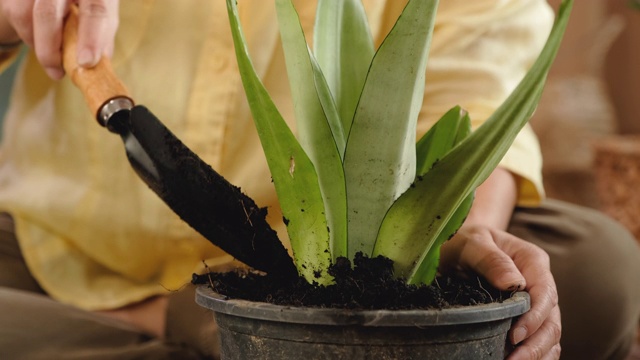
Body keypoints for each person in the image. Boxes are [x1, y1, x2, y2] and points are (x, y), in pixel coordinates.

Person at [0, 0, 638, 359]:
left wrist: (464, 236)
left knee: (599, 271)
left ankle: (209, 329)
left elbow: (472, 105)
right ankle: (189, 326)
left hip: (338, 262)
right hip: (60, 247)